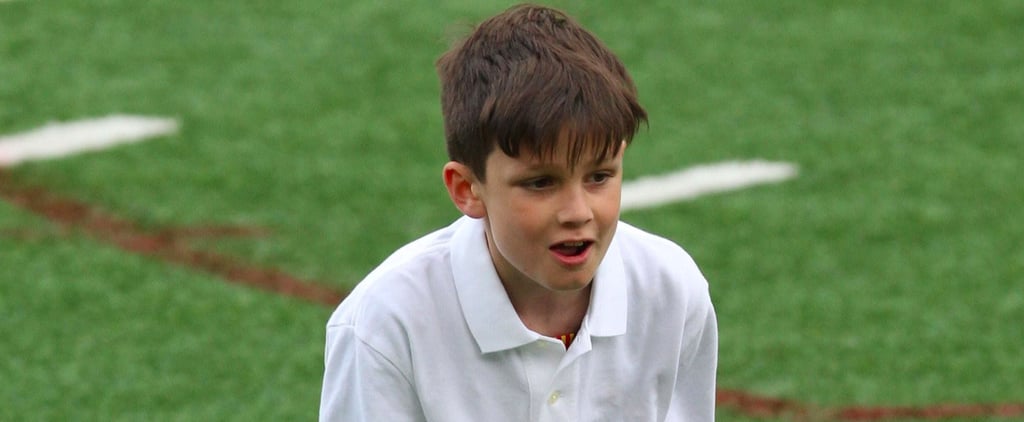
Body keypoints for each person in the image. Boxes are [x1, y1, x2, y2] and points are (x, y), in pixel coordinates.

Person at [319, 4, 717, 421]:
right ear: (467, 189)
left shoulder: (672, 290)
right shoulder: (387, 322)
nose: (577, 212)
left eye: (599, 176)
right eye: (541, 183)